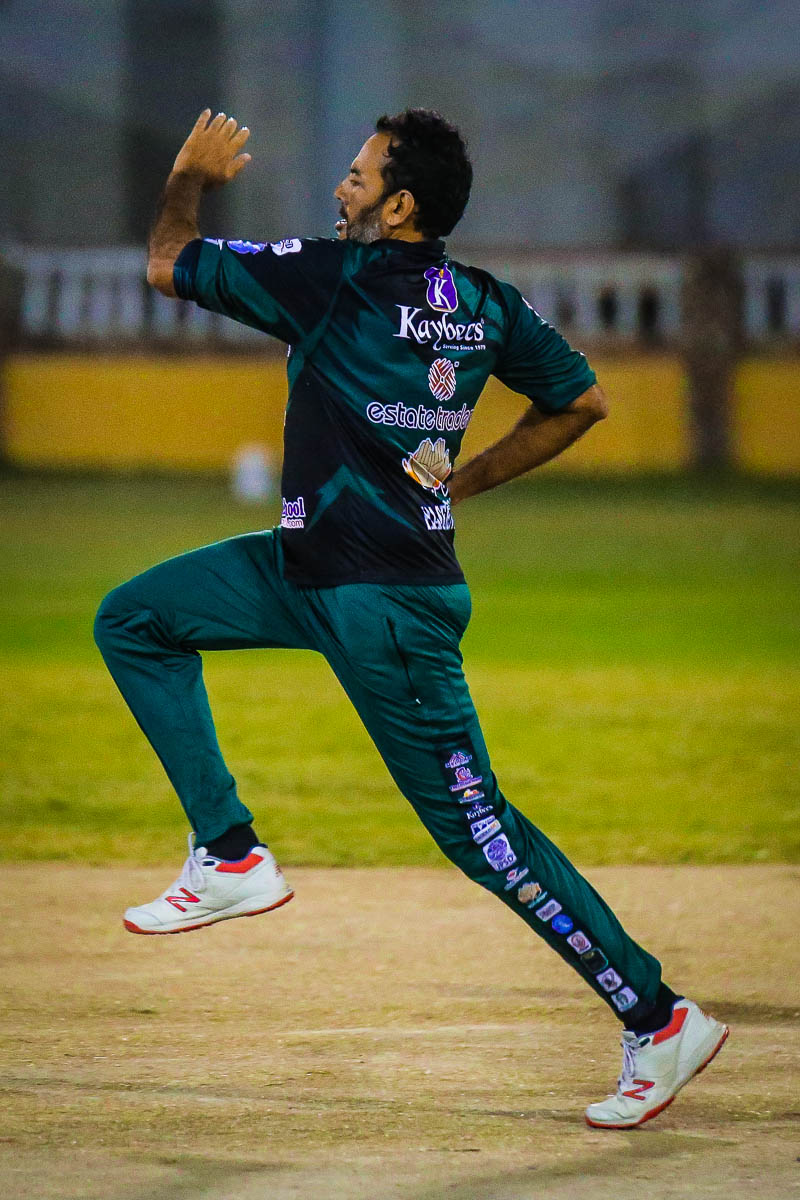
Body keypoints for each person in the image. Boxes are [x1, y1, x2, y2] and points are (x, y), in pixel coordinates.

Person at [94, 108, 728, 1128]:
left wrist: (186, 178)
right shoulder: (483, 302)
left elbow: (168, 263)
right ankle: (229, 853)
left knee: (482, 837)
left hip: (383, 604)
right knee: (136, 620)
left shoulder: (333, 278)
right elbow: (581, 401)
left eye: (356, 176)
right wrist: (463, 482)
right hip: (306, 567)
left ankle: (658, 1019)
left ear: (398, 206)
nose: (339, 188)